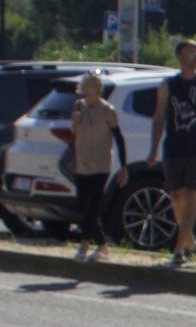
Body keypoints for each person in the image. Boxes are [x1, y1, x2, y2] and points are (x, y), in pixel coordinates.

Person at [151, 39, 196, 268]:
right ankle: (188, 238)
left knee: (192, 193)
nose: (195, 57)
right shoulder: (167, 85)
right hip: (174, 147)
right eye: (190, 54)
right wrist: (153, 149)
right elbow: (159, 117)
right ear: (180, 57)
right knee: (176, 195)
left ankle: (179, 248)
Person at [68, 72, 125, 263]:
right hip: (81, 163)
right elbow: (74, 134)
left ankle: (84, 245)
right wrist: (74, 121)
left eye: (99, 85)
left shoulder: (108, 110)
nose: (97, 89)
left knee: (93, 205)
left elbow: (119, 138)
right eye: (93, 85)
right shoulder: (79, 107)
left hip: (100, 164)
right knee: (84, 207)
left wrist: (124, 166)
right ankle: (102, 246)